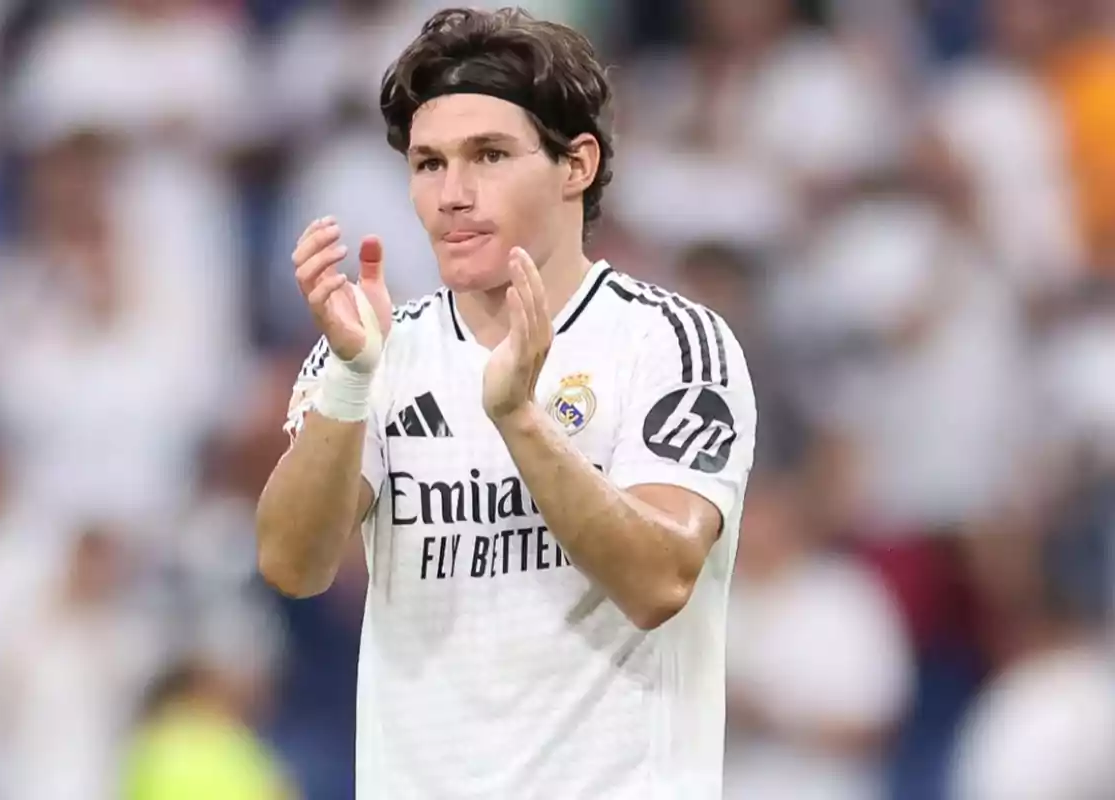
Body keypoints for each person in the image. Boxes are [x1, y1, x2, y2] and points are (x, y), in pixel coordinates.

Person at [255, 8, 757, 798]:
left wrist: (521, 420)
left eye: (488, 155)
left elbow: (660, 581)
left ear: (576, 164)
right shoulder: (378, 348)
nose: (452, 194)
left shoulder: (669, 344)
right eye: (428, 164)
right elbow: (292, 563)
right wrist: (351, 381)